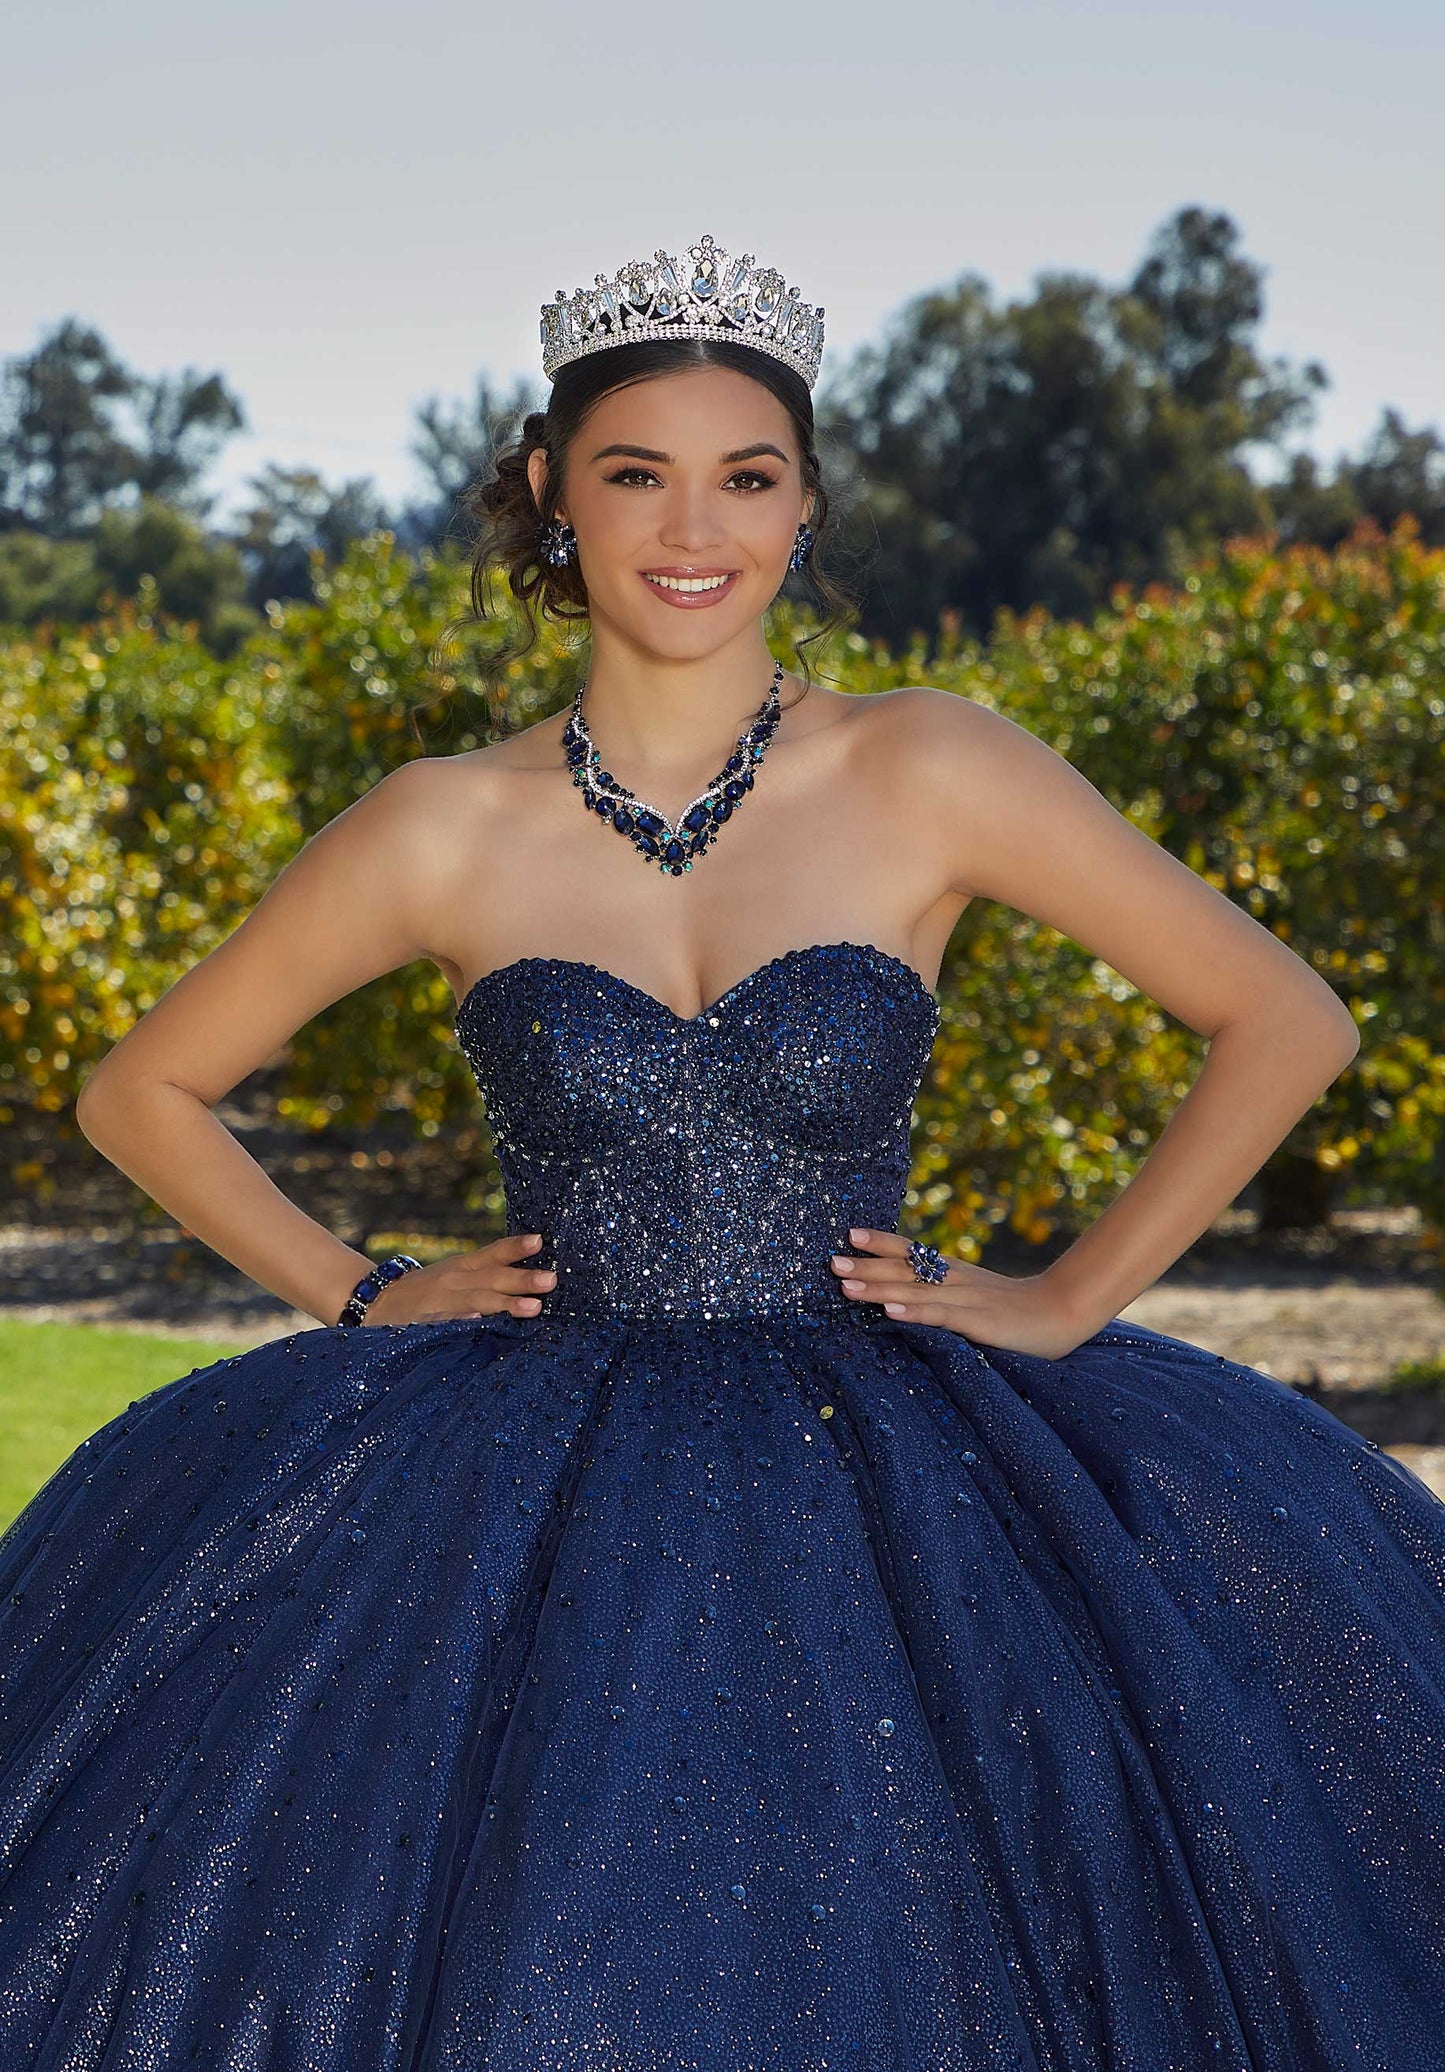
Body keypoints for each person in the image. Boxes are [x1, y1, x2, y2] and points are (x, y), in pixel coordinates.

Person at [2, 233, 1442, 2072]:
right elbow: (140, 1091)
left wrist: (1069, 1299)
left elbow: (1284, 1017)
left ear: (804, 502)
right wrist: (357, 1291)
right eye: (638, 474)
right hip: (522, 1470)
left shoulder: (928, 767)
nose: (696, 528)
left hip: (913, 1466)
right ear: (552, 492)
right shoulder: (440, 827)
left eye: (747, 477)